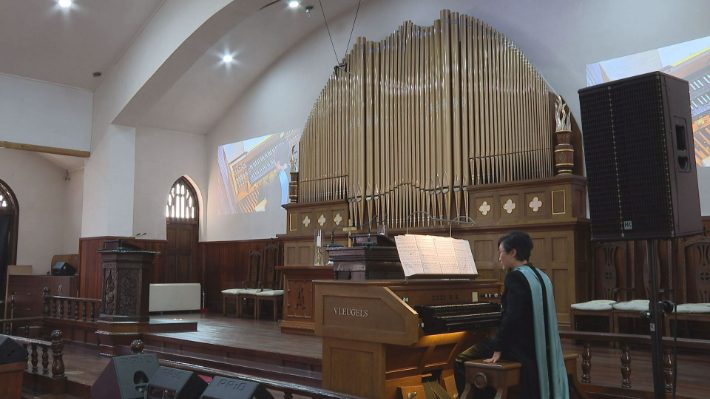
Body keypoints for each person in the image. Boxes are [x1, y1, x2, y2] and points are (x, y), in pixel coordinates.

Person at [454, 231, 568, 399]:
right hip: (539, 345)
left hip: (518, 348)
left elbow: (511, 318)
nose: (499, 257)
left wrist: (498, 347)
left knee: (461, 360)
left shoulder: (515, 277)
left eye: (501, 251)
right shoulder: (542, 276)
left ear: (512, 252)